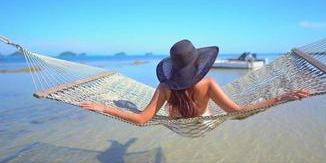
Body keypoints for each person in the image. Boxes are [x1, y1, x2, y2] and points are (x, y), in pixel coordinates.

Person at [80, 40, 311, 124]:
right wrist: (281, 98)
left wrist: (104, 107)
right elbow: (238, 113)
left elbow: (141, 119)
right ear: (198, 64)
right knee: (211, 109)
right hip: (204, 120)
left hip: (179, 119)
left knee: (155, 108)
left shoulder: (164, 87)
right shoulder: (208, 84)